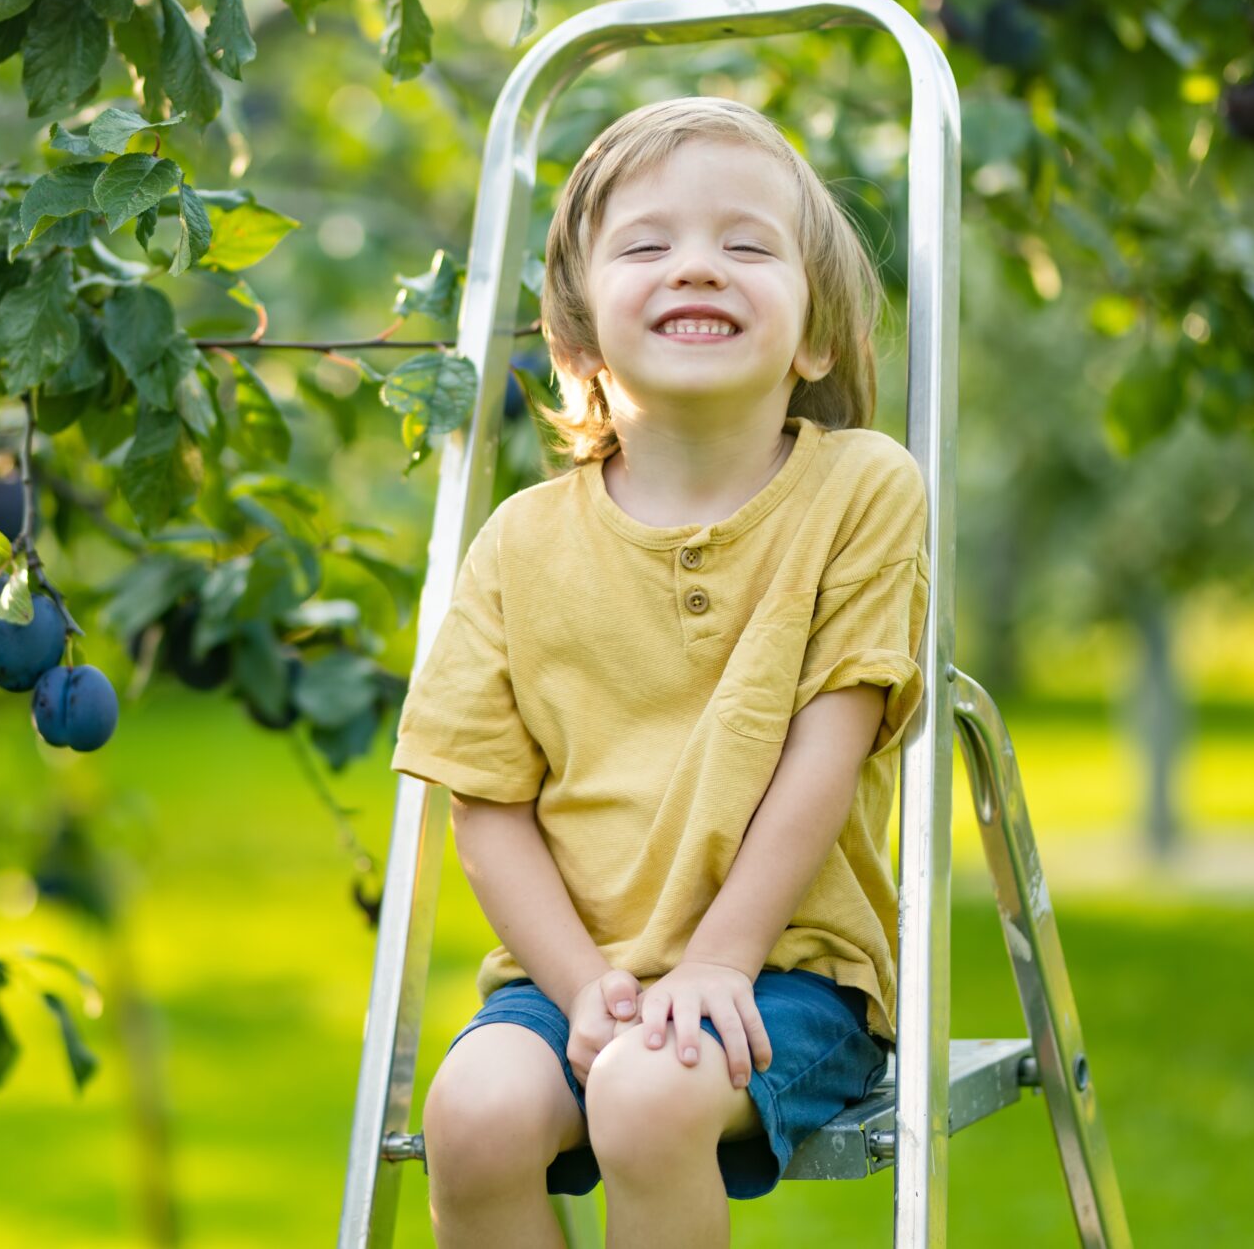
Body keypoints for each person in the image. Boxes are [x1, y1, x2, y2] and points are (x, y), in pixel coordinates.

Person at [392, 96, 930, 1248]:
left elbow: (828, 749)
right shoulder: (520, 544)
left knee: (646, 1094)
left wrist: (722, 962)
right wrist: (584, 985)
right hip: (572, 973)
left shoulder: (859, 489)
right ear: (580, 344)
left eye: (745, 245)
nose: (697, 267)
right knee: (470, 1113)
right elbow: (485, 808)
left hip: (786, 964)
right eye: (648, 246)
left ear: (815, 337)